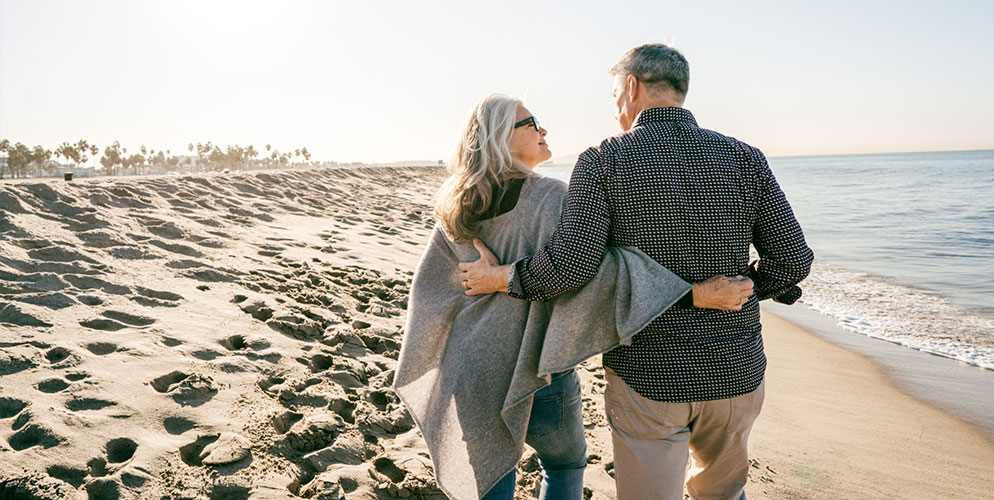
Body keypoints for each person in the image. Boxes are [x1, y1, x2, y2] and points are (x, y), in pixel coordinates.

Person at [459, 44, 814, 500]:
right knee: (723, 494)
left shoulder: (604, 160)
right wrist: (748, 287)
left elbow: (570, 268)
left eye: (613, 96)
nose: (614, 111)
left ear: (632, 88)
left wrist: (505, 277)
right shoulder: (744, 157)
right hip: (736, 369)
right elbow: (793, 261)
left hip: (648, 373)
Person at [393, 94, 754, 500]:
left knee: (489, 476)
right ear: (499, 139)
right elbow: (597, 273)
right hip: (538, 370)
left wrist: (482, 289)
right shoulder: (552, 198)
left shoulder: (455, 205)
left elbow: (431, 290)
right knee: (564, 463)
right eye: (530, 124)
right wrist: (690, 293)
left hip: (471, 368)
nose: (543, 130)